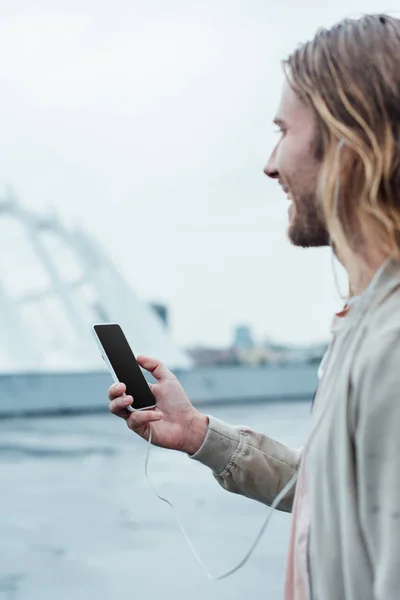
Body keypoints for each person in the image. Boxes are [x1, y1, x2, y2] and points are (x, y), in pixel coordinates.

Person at [108, 13, 400, 600]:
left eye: (282, 131)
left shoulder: (391, 346)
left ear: (349, 142)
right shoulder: (364, 324)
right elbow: (335, 495)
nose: (270, 165)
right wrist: (197, 434)